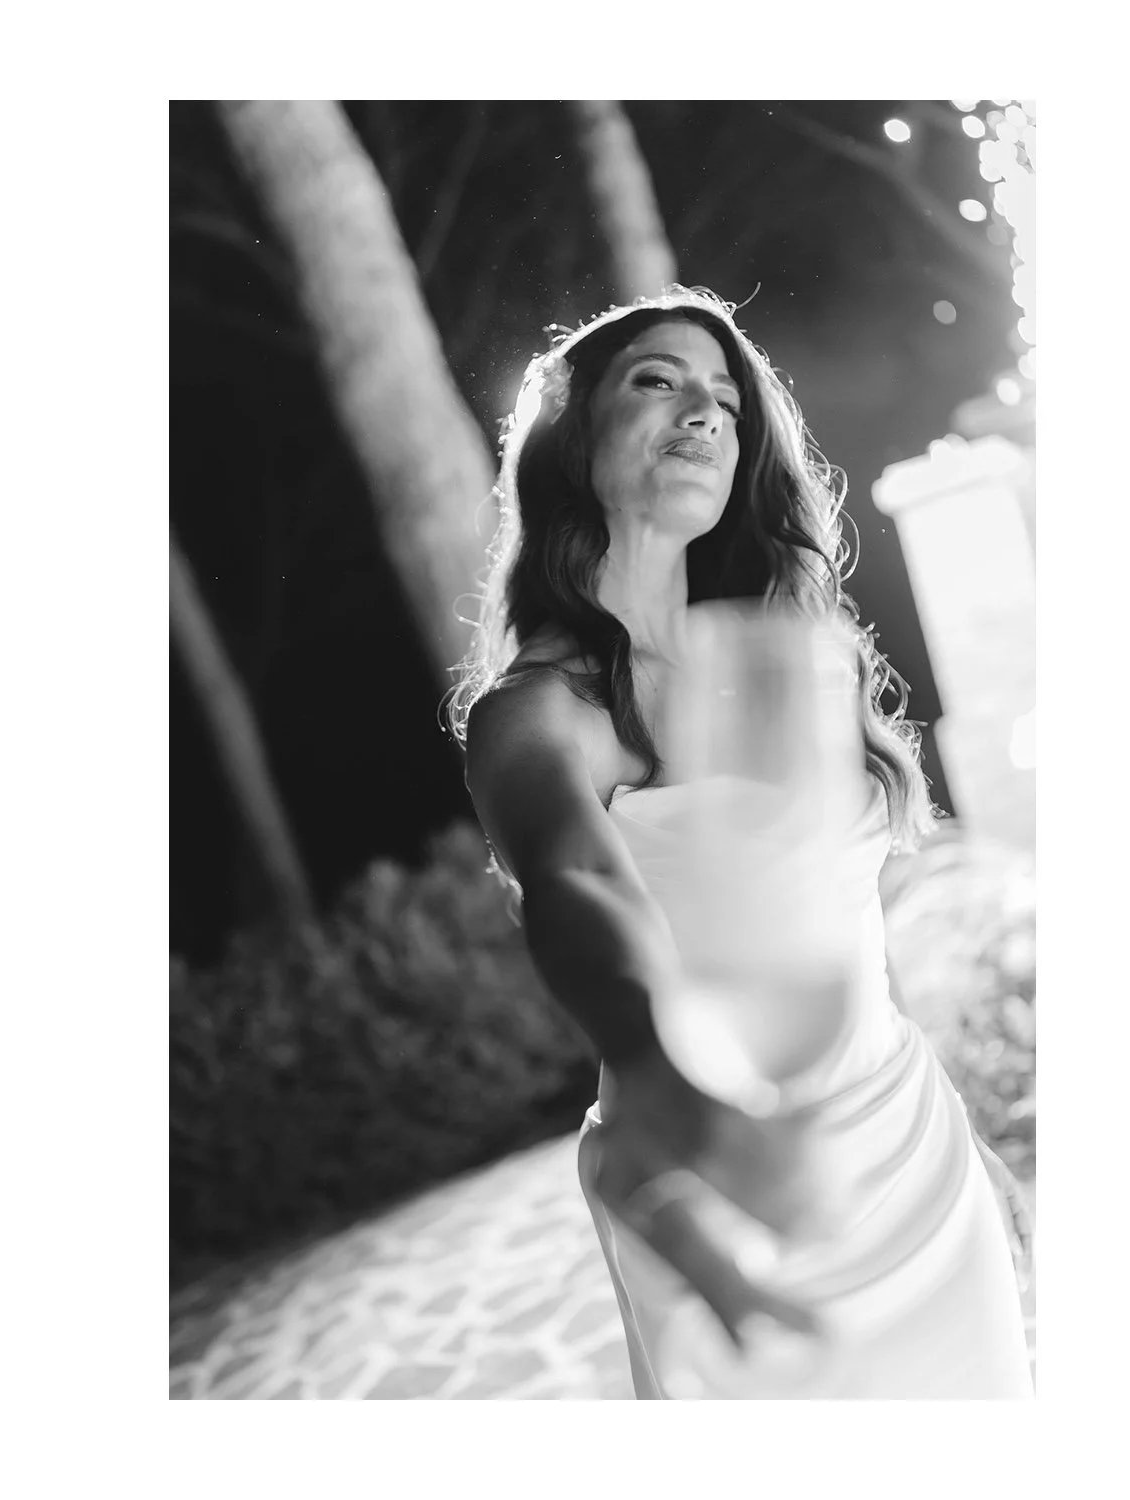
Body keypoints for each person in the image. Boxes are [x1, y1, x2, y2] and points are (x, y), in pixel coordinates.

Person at [453, 288, 1031, 1397]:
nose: (703, 412)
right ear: (569, 439)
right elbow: (574, 885)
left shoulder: (783, 661)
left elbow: (848, 936)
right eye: (655, 380)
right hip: (716, 1175)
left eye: (723, 397)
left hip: (914, 1157)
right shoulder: (537, 715)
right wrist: (661, 1085)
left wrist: (973, 1152)